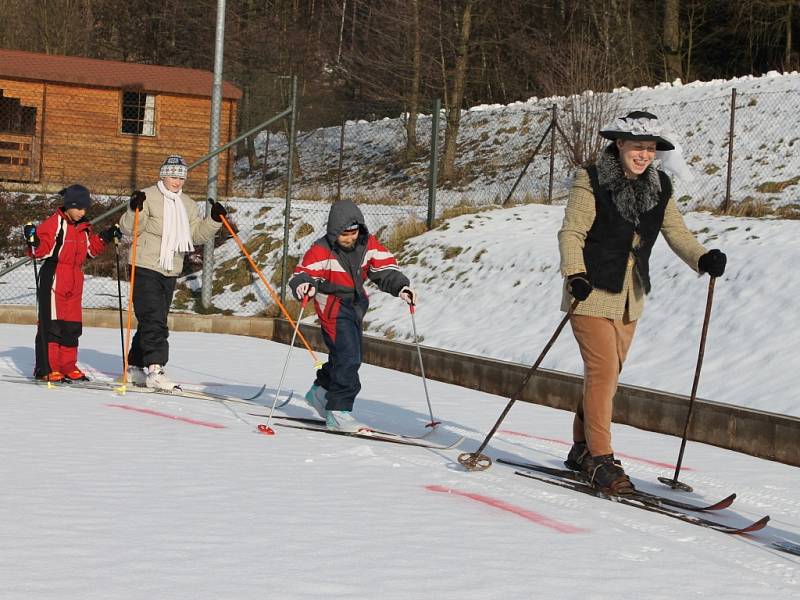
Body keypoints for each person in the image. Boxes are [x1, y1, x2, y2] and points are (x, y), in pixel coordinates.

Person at [558, 111, 727, 494]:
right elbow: (571, 231)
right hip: (590, 291)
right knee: (602, 373)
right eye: (638, 147)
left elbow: (676, 232)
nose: (644, 155)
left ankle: (581, 448)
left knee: (607, 377)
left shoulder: (660, 186)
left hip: (630, 297)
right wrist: (575, 273)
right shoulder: (591, 179)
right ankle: (601, 459)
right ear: (620, 144)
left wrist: (702, 258)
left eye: (650, 149)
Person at [288, 200, 416, 432]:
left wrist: (401, 287)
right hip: (331, 305)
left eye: (354, 232)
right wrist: (304, 285)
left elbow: (385, 268)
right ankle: (338, 411)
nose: (349, 238)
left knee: (346, 354)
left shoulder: (368, 245)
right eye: (344, 234)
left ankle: (321, 392)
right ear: (333, 231)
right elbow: (302, 273)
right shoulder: (322, 250)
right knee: (349, 356)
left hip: (355, 304)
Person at [119, 155, 228, 390]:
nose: (177, 182)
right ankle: (155, 369)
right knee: (154, 319)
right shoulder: (148, 196)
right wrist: (133, 207)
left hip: (170, 268)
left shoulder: (187, 204)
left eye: (181, 177)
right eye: (172, 176)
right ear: (163, 175)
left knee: (151, 318)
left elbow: (196, 235)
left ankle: (136, 366)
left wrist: (214, 220)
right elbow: (128, 228)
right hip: (145, 264)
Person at [24, 184, 122, 382]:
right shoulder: (55, 223)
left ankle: (67, 365)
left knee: (72, 326)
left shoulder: (84, 227)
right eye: (78, 208)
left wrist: (105, 236)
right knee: (52, 325)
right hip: (54, 277)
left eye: (85, 208)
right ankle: (47, 367)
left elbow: (89, 251)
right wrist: (33, 240)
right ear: (68, 205)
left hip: (75, 280)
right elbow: (40, 250)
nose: (81, 212)